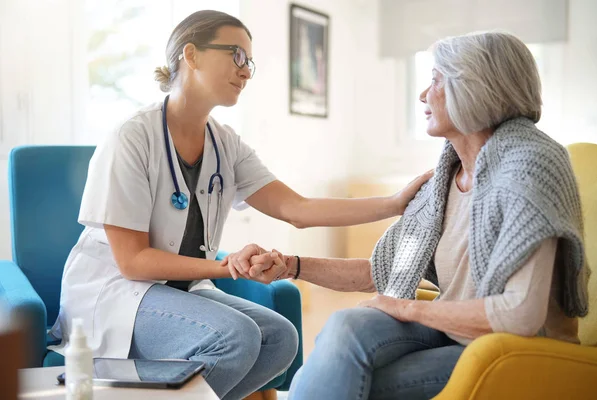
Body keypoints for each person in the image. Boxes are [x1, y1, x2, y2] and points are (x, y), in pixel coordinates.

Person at [48, 10, 432, 400]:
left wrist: (394, 203)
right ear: (191, 55)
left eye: (249, 61)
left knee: (280, 338)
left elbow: (296, 209)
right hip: (118, 292)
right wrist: (226, 267)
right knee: (237, 338)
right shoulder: (132, 138)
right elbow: (132, 261)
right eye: (236, 55)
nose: (246, 71)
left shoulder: (224, 144)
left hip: (180, 290)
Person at [234, 31, 590, 400]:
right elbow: (385, 272)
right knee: (346, 325)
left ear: (476, 88)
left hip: (520, 351)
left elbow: (519, 316)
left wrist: (407, 308)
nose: (423, 94)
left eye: (436, 80)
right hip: (453, 331)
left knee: (355, 379)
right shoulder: (444, 181)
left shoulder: (530, 167)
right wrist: (291, 265)